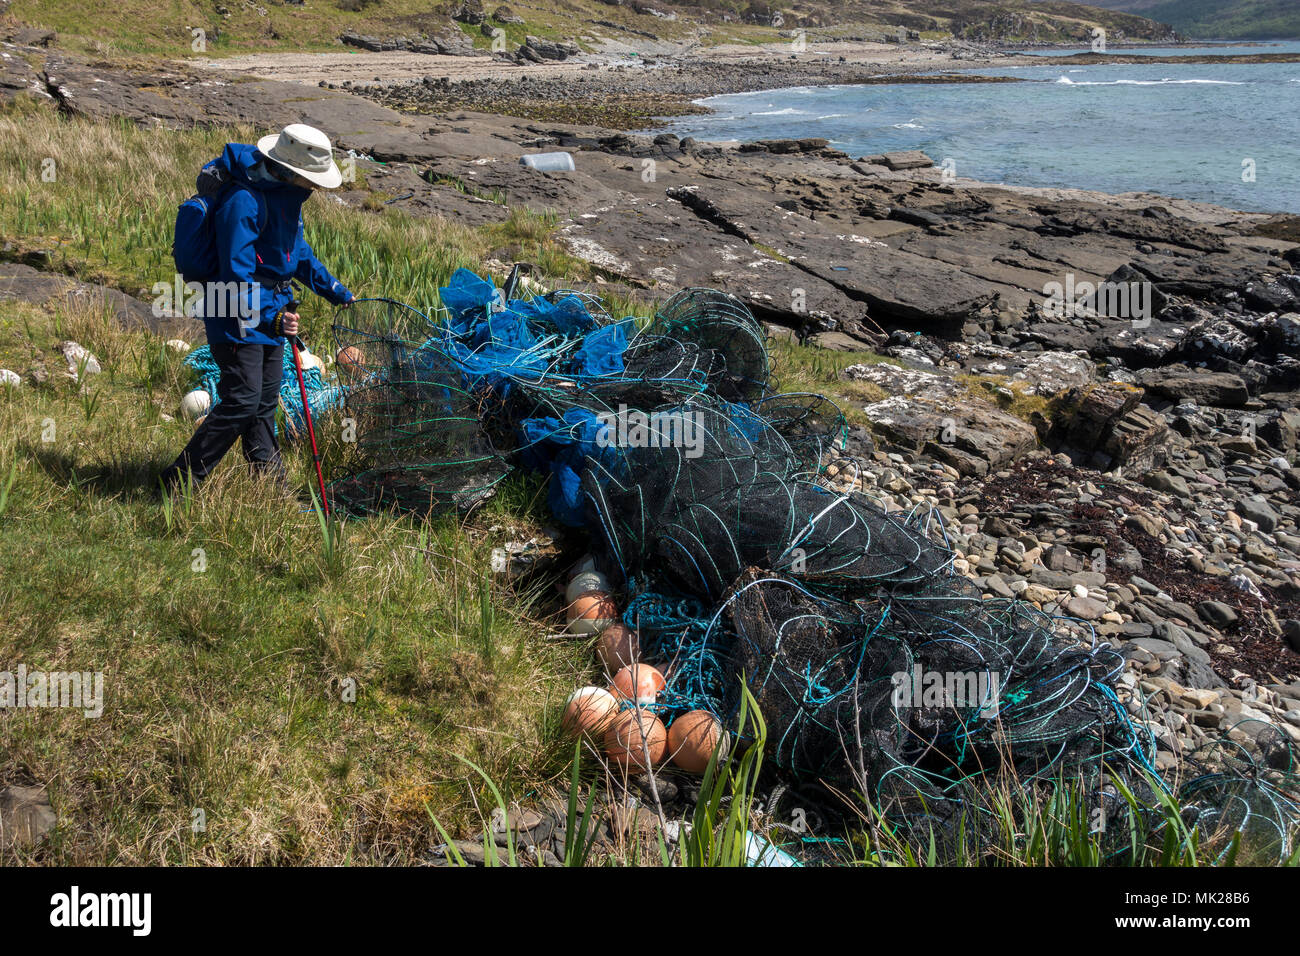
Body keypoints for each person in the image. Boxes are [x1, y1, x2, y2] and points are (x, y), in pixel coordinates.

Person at [161, 124, 355, 493]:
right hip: (234, 312)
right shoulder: (243, 200)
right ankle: (178, 483)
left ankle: (271, 488)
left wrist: (338, 292)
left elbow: (298, 255)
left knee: (264, 402)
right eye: (312, 179)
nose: (315, 187)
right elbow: (236, 271)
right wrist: (272, 316)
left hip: (271, 314)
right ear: (292, 171)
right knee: (242, 400)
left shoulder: (287, 199)